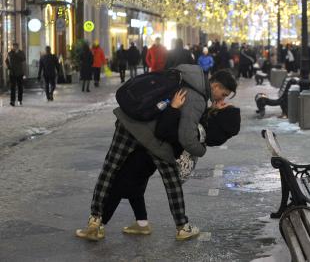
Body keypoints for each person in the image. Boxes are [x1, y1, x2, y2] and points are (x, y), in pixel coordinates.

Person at [75, 68, 238, 241]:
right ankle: (182, 226)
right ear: (216, 86)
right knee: (171, 181)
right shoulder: (197, 98)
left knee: (110, 170)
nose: (223, 98)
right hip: (153, 136)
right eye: (224, 94)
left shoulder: (188, 73)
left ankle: (96, 221)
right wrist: (201, 150)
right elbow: (186, 136)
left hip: (130, 123)